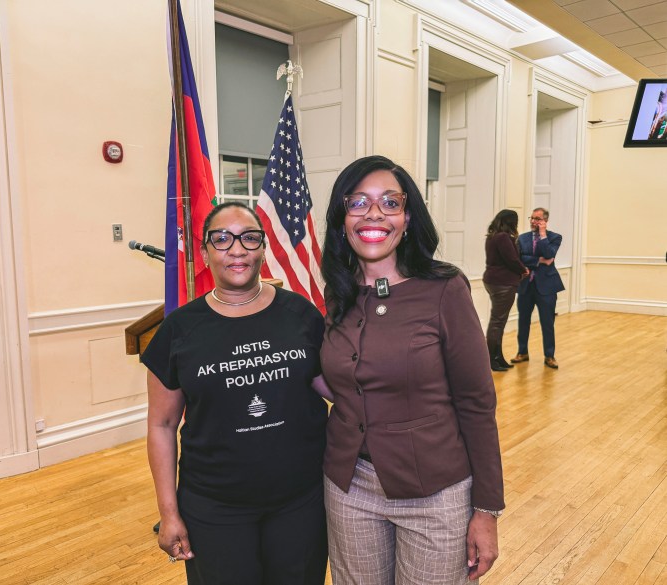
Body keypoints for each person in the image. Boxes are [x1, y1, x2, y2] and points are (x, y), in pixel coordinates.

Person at [318, 155, 504, 585]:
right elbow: (343, 380)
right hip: (350, 488)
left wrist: (486, 510)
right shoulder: (338, 292)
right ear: (342, 218)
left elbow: (477, 404)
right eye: (358, 202)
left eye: (390, 202)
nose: (374, 214)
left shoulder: (445, 289)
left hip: (436, 494)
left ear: (407, 217)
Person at [141, 201, 329, 585]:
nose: (237, 248)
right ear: (206, 252)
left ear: (263, 247)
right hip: (214, 506)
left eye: (249, 237)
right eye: (222, 239)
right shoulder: (180, 330)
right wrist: (169, 512)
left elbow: (334, 390)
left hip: (301, 500)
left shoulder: (301, 315)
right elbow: (161, 425)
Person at [511, 207, 564, 369]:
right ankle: (522, 352)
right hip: (526, 285)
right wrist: (538, 261)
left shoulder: (555, 237)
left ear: (545, 221)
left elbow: (549, 254)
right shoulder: (522, 238)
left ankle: (549, 356)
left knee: (547, 322)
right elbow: (519, 258)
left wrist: (542, 236)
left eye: (537, 219)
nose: (533, 221)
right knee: (523, 321)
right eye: (532, 218)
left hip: (547, 287)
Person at [483, 210, 528, 372]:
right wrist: (524, 270)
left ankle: (498, 357)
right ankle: (491, 360)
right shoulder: (503, 237)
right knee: (497, 322)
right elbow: (512, 259)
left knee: (498, 322)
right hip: (503, 283)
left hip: (493, 281)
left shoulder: (492, 236)